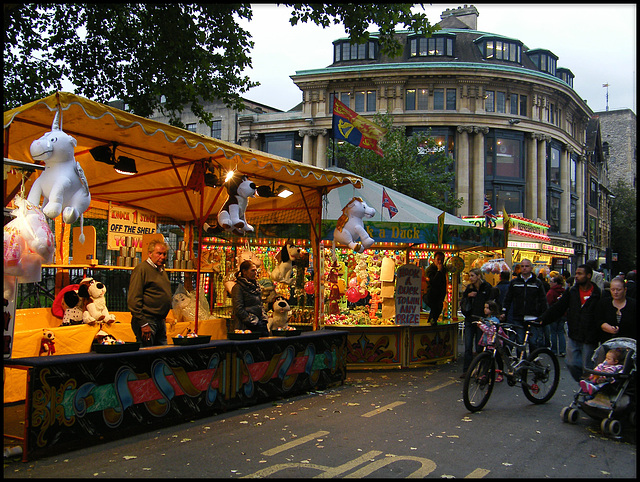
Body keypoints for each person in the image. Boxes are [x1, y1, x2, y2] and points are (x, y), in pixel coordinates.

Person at [539, 264, 602, 382]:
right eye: (576, 274)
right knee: (571, 363)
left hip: (590, 336)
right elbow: (559, 307)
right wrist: (543, 319)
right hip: (574, 333)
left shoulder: (597, 294)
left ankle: (588, 390)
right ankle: (584, 385)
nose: (576, 276)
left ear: (588, 276)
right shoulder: (572, 292)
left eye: (580, 274)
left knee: (588, 367)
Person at [128, 240, 172, 346]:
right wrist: (143, 323)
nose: (162, 257)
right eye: (159, 253)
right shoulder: (141, 270)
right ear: (150, 254)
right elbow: (133, 299)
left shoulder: (161, 270)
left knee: (161, 355)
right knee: (147, 355)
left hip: (159, 320)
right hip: (147, 320)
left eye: (164, 254)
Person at [500, 258, 548, 351]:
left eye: (526, 266)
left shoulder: (537, 283)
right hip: (518, 317)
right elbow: (508, 298)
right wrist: (504, 311)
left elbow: (543, 300)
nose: (524, 268)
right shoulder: (514, 283)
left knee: (533, 341)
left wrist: (544, 316)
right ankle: (521, 362)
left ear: (531, 268)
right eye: (522, 266)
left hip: (533, 317)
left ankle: (533, 360)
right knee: (520, 342)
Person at [460, 268, 494, 377]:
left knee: (479, 347)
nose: (470, 278)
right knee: (468, 346)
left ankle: (480, 370)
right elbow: (463, 300)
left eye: (472, 275)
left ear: (479, 276)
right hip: (470, 319)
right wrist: (468, 296)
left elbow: (490, 302)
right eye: (469, 276)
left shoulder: (487, 287)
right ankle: (467, 370)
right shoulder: (469, 288)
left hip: (481, 320)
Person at [231, 260, 269, 336]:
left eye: (256, 270)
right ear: (244, 272)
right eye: (252, 271)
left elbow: (260, 304)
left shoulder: (256, 287)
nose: (255, 273)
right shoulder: (238, 287)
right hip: (245, 327)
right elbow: (238, 309)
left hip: (259, 325)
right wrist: (253, 320)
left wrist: (264, 319)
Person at [596, 277, 637, 341]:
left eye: (618, 289)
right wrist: (608, 327)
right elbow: (598, 320)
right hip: (608, 342)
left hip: (629, 342)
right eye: (613, 289)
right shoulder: (603, 303)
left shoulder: (633, 304)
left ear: (625, 290)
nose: (615, 292)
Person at [482, 300, 505, 382]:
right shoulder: (486, 319)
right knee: (487, 358)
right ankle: (485, 374)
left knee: (498, 358)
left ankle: (500, 373)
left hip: (495, 343)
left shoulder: (494, 320)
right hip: (488, 342)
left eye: (487, 308)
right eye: (485, 307)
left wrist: (481, 326)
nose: (485, 310)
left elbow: (490, 331)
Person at [424, 251, 447, 326]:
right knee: (435, 310)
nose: (440, 262)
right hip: (431, 296)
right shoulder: (430, 270)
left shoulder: (443, 269)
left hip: (439, 296)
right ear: (434, 260)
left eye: (441, 260)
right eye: (438, 259)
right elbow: (433, 282)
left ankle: (432, 323)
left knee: (437, 310)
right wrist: (439, 271)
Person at [546, 275, 567, 356]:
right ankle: (562, 350)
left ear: (555, 283)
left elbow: (548, 302)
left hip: (553, 314)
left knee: (553, 332)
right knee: (561, 332)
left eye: (551, 281)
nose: (550, 283)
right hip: (562, 314)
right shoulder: (564, 291)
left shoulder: (551, 292)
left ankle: (554, 350)